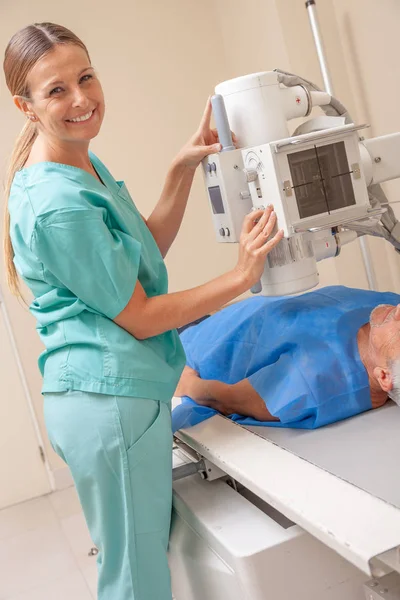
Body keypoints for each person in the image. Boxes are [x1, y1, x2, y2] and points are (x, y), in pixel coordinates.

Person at [2, 22, 283, 600]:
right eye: (56, 91)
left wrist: (181, 170)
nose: (82, 99)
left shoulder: (80, 162)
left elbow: (137, 257)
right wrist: (241, 276)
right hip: (108, 405)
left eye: (86, 77)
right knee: (134, 581)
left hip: (117, 395)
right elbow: (141, 314)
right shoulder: (56, 200)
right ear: (24, 106)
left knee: (139, 561)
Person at [173, 285, 400, 432]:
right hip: (223, 320)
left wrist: (186, 382)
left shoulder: (310, 386)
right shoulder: (387, 311)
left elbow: (224, 399)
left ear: (383, 376)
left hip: (188, 348)